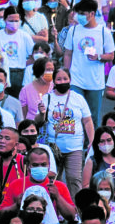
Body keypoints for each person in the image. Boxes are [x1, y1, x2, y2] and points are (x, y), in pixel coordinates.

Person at [35, 67, 94, 198]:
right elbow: (38, 122)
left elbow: (87, 121)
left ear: (70, 80)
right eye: (59, 79)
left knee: (74, 179)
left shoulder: (78, 98)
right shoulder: (47, 98)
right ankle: (57, 209)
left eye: (65, 79)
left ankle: (76, 209)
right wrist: (41, 113)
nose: (62, 82)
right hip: (53, 148)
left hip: (75, 147)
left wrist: (91, 141)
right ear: (54, 82)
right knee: (54, 179)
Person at [1, 147, 76, 221]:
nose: (40, 167)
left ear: (49, 165)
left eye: (43, 164)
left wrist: (58, 197)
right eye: (35, 165)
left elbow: (72, 216)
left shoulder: (59, 186)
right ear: (28, 166)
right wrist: (16, 205)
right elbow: (1, 213)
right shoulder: (16, 184)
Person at [82, 127, 115, 201]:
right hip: (95, 201)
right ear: (97, 144)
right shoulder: (92, 161)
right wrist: (99, 193)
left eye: (109, 140)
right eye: (102, 141)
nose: (106, 144)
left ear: (114, 141)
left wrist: (110, 194)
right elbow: (85, 186)